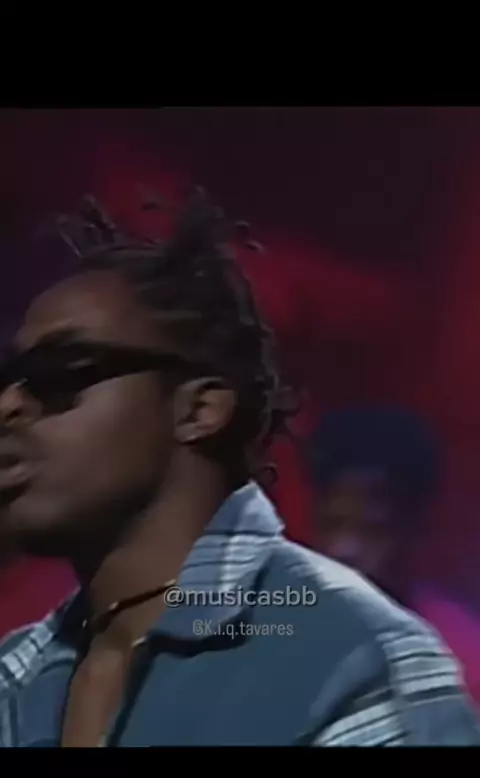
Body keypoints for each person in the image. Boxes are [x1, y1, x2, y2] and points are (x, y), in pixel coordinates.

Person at [0, 189, 478, 747]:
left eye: (61, 371)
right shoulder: (16, 676)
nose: (8, 404)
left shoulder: (350, 663)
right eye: (8, 379)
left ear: (199, 410)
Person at [306, 407, 441, 605]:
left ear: (415, 533)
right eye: (330, 525)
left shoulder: (445, 625)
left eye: (372, 531)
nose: (342, 549)